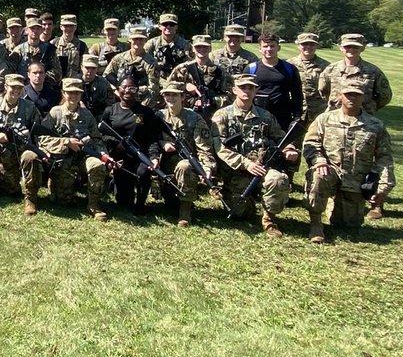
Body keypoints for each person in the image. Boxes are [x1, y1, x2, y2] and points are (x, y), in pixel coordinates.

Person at [304, 83, 396, 240]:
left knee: (348, 224)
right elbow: (310, 143)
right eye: (348, 94)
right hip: (330, 171)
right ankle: (316, 224)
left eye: (357, 95)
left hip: (356, 179)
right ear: (340, 96)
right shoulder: (325, 119)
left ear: (363, 98)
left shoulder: (375, 125)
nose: (352, 98)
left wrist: (383, 187)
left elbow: (384, 157)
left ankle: (336, 205)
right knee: (317, 177)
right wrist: (318, 160)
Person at [211, 74, 297, 237]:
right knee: (239, 213)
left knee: (278, 180)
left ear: (256, 90)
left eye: (251, 88)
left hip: (263, 167)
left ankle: (269, 220)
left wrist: (289, 148)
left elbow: (280, 136)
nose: (247, 91)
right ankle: (231, 193)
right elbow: (220, 147)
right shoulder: (222, 116)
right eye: (243, 87)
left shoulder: (265, 116)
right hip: (236, 170)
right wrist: (246, 164)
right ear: (234, 90)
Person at [38, 77, 112, 219]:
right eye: (70, 92)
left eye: (77, 93)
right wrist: (66, 142)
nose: (73, 96)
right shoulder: (55, 113)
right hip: (63, 161)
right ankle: (55, 185)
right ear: (63, 93)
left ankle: (94, 205)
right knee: (63, 202)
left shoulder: (87, 114)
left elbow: (97, 139)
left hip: (83, 157)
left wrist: (104, 154)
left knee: (97, 165)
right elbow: (42, 139)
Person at [0, 74, 48, 215]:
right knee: (9, 192)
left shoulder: (29, 107)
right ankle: (11, 185)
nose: (17, 91)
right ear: (6, 87)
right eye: (13, 87)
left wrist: (40, 148)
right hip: (4, 151)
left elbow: (38, 131)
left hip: (25, 148)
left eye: (20, 88)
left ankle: (31, 199)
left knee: (31, 158)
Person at [99, 77, 164, 216]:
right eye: (124, 87)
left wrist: (154, 157)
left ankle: (140, 205)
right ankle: (114, 183)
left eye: (132, 88)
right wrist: (116, 144)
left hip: (139, 156)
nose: (128, 91)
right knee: (123, 201)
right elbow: (101, 134)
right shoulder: (110, 111)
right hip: (118, 159)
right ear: (118, 90)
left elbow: (152, 138)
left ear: (137, 91)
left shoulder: (145, 112)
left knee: (144, 172)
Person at [156, 81, 217, 227]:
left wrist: (207, 168)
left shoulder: (194, 119)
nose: (170, 98)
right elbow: (150, 140)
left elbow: (204, 148)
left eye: (174, 95)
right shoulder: (158, 116)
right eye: (167, 94)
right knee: (170, 203)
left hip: (187, 167)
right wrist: (162, 144)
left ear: (182, 97)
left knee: (184, 166)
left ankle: (185, 213)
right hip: (164, 169)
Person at [318, 33, 393, 115]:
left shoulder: (373, 71)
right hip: (334, 117)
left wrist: (369, 107)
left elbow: (385, 96)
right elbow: (323, 91)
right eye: (347, 46)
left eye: (355, 47)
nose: (351, 49)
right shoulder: (330, 69)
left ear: (362, 48)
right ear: (341, 48)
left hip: (364, 117)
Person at [247, 31, 303, 133]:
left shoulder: (289, 69)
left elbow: (297, 95)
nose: (269, 49)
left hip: (282, 117)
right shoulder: (251, 68)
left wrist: (297, 117)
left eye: (272, 46)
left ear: (278, 48)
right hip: (257, 115)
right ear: (260, 49)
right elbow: (244, 92)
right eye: (265, 46)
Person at [169, 34, 225, 122]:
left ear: (210, 49)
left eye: (205, 47)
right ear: (193, 49)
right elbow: (168, 89)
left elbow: (231, 95)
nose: (202, 50)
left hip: (212, 116)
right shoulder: (182, 69)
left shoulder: (219, 71)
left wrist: (212, 100)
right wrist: (185, 86)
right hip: (185, 116)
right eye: (198, 47)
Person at [104, 26, 159, 106]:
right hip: (118, 101)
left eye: (141, 39)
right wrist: (117, 92)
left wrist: (141, 106)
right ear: (130, 39)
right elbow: (106, 77)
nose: (138, 42)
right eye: (135, 39)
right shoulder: (119, 58)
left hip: (141, 102)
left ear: (145, 40)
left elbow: (153, 89)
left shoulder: (151, 63)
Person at [287, 32, 331, 124]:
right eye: (304, 44)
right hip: (296, 110)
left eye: (312, 44)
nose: (308, 47)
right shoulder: (289, 64)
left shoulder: (326, 66)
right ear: (298, 45)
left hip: (318, 111)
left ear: (317, 46)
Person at [143, 13, 192, 79]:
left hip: (178, 80)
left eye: (172, 24)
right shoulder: (152, 44)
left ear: (176, 26)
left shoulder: (185, 44)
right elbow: (143, 61)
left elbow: (191, 63)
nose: (168, 27)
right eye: (165, 24)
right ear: (160, 26)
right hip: (157, 80)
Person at [54, 15, 84, 79]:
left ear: (75, 27)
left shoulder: (82, 46)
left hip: (75, 82)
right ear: (61, 27)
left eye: (71, 26)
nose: (69, 29)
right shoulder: (53, 44)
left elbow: (84, 67)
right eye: (66, 26)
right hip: (56, 82)